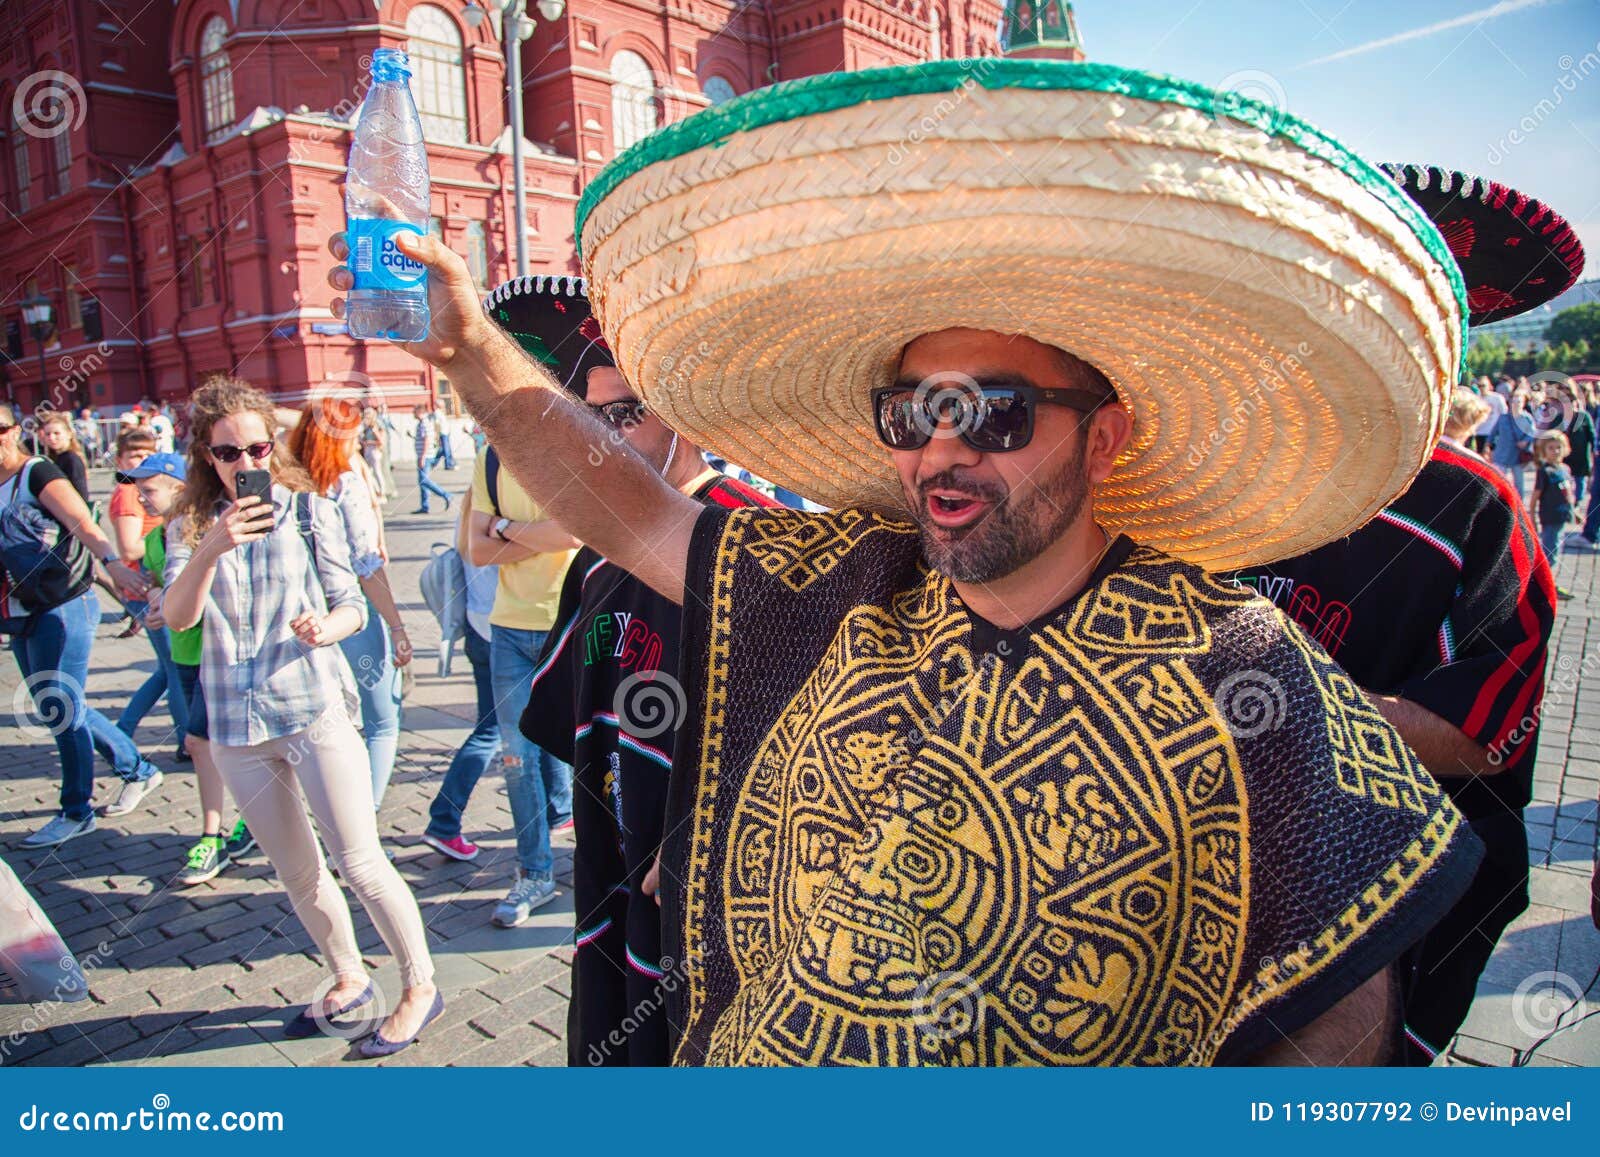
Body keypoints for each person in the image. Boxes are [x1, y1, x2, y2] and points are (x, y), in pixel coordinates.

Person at [330, 62, 1485, 1065]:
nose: (941, 448)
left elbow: (1338, 992)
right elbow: (630, 515)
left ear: (1106, 433)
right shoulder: (840, 582)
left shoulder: (1235, 663)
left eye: (990, 410)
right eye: (910, 411)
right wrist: (463, 346)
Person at [488, 277, 776, 1064]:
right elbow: (566, 721)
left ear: (684, 415)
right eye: (591, 416)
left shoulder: (756, 535)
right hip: (613, 881)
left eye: (624, 415)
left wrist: (721, 839)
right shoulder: (598, 559)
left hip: (723, 909)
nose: (601, 440)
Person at [161, 376, 441, 1056]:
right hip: (236, 725)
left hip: (312, 707)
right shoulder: (188, 525)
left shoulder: (310, 508)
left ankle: (420, 985)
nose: (248, 464)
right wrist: (211, 547)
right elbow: (177, 620)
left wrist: (329, 624)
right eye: (230, 454)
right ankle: (347, 977)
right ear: (206, 455)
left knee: (360, 859)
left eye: (259, 448)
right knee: (298, 870)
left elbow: (352, 601)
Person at [0, 405, 159, 848]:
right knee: (57, 704)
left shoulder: (37, 473)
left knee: (62, 707)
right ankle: (138, 770)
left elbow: (82, 523)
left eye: (0, 429)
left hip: (65, 603)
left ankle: (76, 809)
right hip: (22, 609)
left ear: (15, 431)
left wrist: (114, 564)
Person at [121, 452, 248, 884]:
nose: (141, 495)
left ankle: (215, 835)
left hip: (217, 652)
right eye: (137, 487)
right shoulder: (160, 536)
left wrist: (171, 601)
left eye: (149, 487)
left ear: (180, 485)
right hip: (186, 653)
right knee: (212, 746)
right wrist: (159, 599)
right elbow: (167, 583)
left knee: (202, 743)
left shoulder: (202, 524)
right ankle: (243, 823)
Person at [286, 394, 413, 811]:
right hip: (352, 617)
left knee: (319, 730)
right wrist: (396, 626)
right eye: (354, 438)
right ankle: (362, 820)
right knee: (381, 723)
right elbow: (367, 566)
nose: (358, 445)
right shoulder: (345, 483)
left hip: (296, 622)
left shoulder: (284, 485)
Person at [420, 490, 499, 861]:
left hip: (478, 628)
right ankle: (444, 820)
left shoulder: (472, 503)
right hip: (503, 631)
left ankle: (557, 809)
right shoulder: (500, 504)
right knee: (491, 731)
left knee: (527, 723)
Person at [1530, 430, 1576, 599]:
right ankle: (1545, 586)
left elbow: (1567, 493)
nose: (1555, 451)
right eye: (1551, 448)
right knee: (1550, 554)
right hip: (1550, 517)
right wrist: (1533, 519)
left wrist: (1574, 511)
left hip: (1562, 517)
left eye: (1558, 447)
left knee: (1555, 550)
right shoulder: (1545, 471)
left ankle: (1547, 584)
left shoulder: (1564, 469)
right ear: (1544, 450)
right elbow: (1535, 497)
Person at [35, 412, 90, 501]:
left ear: (69, 434)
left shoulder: (71, 459)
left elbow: (81, 495)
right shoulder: (54, 457)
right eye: (48, 434)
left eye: (57, 433)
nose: (52, 438)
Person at [411, 404, 450, 514]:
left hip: (425, 456)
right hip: (425, 455)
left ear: (420, 412)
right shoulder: (424, 423)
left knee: (423, 480)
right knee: (422, 481)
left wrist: (422, 456)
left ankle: (445, 494)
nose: (413, 414)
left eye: (414, 412)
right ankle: (425, 506)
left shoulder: (424, 423)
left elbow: (426, 440)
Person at [359, 407, 388, 499]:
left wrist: (368, 442)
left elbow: (380, 441)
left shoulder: (376, 426)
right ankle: (376, 491)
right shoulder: (366, 427)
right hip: (367, 450)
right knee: (368, 473)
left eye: (367, 415)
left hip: (374, 450)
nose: (365, 418)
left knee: (377, 472)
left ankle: (382, 492)